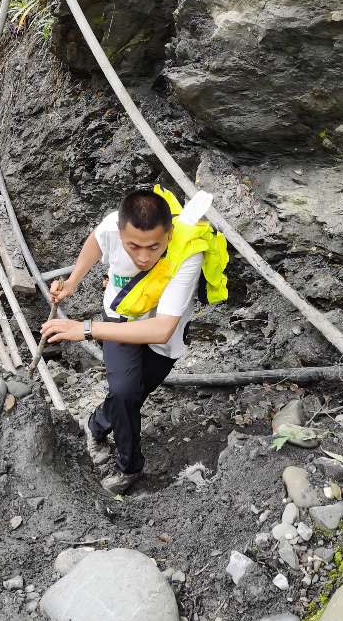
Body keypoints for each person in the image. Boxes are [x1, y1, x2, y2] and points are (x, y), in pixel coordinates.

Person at [41, 187, 228, 495]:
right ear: (121, 232)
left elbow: (161, 329)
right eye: (133, 247)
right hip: (119, 316)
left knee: (134, 394)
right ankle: (130, 467)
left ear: (169, 234)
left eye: (154, 247)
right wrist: (73, 281)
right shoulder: (111, 227)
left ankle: (97, 424)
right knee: (125, 391)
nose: (143, 257)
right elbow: (95, 242)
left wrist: (85, 329)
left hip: (162, 337)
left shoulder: (188, 253)